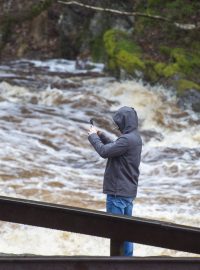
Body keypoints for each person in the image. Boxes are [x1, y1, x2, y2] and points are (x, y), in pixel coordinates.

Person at [88, 106, 142, 256]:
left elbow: (104, 152)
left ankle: (117, 263)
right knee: (127, 232)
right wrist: (101, 135)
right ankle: (128, 262)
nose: (117, 126)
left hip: (117, 193)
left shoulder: (126, 140)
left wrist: (92, 136)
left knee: (116, 233)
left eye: (119, 123)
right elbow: (116, 147)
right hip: (128, 193)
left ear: (124, 122)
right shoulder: (135, 137)